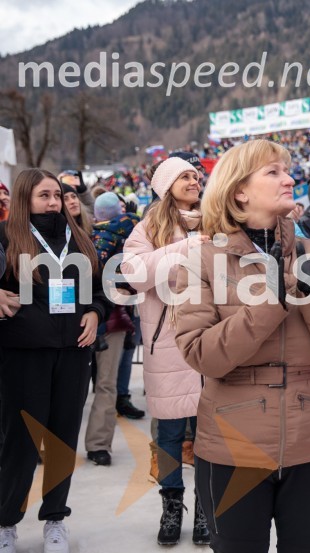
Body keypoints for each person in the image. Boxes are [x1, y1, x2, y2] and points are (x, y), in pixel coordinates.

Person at [173, 139, 310, 553]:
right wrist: (272, 303)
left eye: (287, 170)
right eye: (273, 172)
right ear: (239, 190)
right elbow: (201, 355)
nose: (289, 178)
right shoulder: (201, 261)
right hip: (231, 445)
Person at [0, 168, 106, 553]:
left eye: (57, 196)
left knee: (62, 440)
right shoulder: (6, 237)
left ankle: (55, 519)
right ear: (25, 198)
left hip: (74, 354)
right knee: (20, 443)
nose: (54, 203)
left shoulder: (77, 238)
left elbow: (97, 287)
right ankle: (6, 521)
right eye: (44, 196)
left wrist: (95, 311)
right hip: (23, 355)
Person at [121, 157, 210, 546]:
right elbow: (134, 272)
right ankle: (171, 505)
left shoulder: (216, 218)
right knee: (171, 434)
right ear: (166, 185)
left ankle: (206, 508)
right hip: (168, 342)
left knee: (211, 437)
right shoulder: (149, 227)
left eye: (195, 175)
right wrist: (185, 247)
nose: (194, 181)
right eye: (185, 176)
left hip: (212, 341)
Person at [84, 193, 141, 466]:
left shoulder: (122, 238)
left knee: (104, 385)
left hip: (107, 317)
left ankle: (98, 445)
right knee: (103, 386)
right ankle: (97, 445)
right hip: (96, 317)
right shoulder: (126, 232)